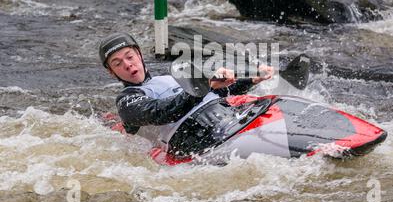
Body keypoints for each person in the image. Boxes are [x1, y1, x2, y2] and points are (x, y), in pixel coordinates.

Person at [99, 33, 274, 138]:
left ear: (139, 55)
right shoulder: (126, 101)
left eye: (130, 57)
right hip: (191, 139)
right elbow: (160, 111)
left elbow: (219, 91)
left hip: (226, 118)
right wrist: (203, 86)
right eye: (117, 63)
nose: (128, 65)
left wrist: (251, 80)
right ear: (112, 73)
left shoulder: (172, 76)